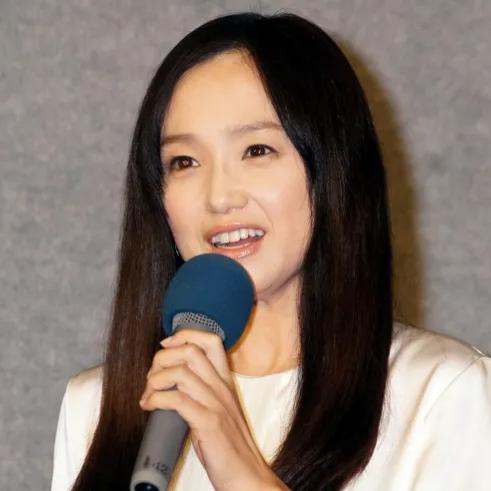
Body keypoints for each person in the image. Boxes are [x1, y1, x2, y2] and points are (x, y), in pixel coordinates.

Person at [50, 11, 491, 491]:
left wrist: (239, 466)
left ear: (333, 170)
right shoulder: (92, 408)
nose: (220, 197)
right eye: (185, 161)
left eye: (256, 151)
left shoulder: (441, 393)